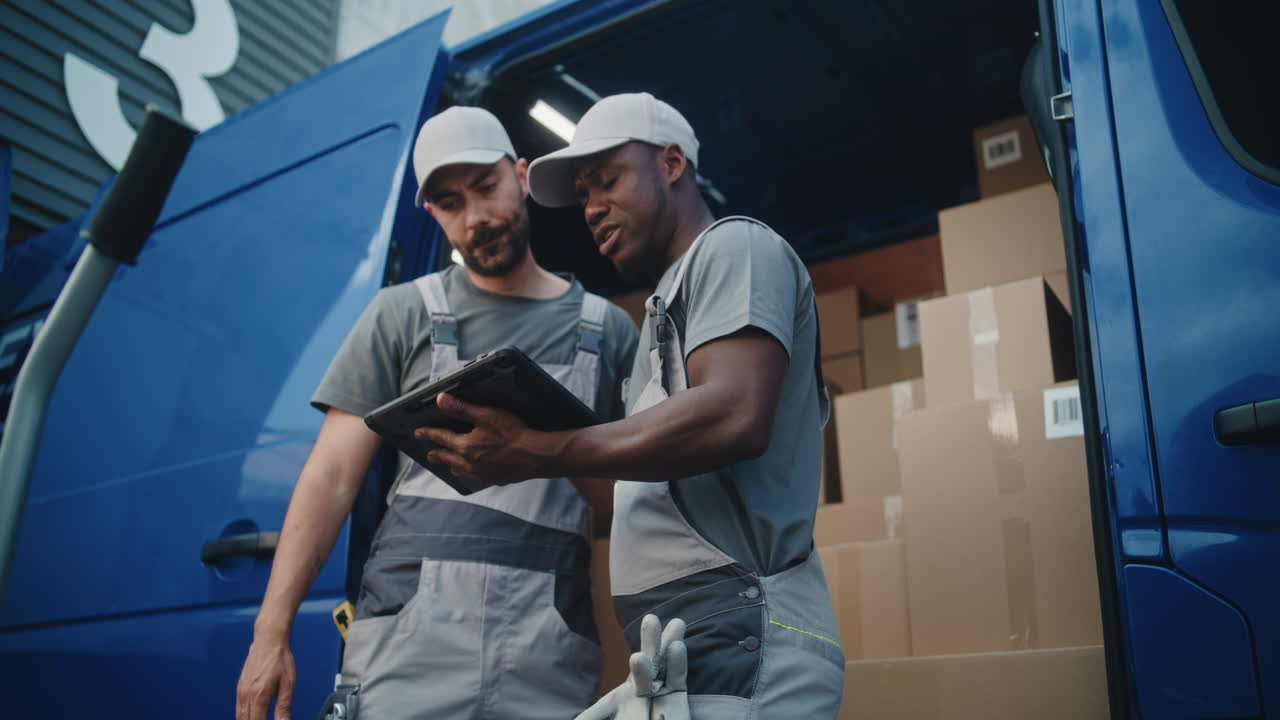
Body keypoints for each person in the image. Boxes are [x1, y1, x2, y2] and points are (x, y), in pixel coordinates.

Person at [416, 93, 845, 718]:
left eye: (607, 181)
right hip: (691, 643)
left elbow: (734, 413)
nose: (591, 208)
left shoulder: (734, 248)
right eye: (584, 194)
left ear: (672, 164)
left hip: (745, 628)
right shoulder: (659, 316)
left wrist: (538, 451)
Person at [234, 106, 639, 720]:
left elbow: (630, 506)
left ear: (522, 174)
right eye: (451, 203)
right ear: (431, 213)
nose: (476, 217)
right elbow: (330, 477)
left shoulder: (608, 332)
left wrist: (545, 446)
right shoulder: (400, 316)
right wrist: (270, 633)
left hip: (547, 645)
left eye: (486, 187)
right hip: (407, 644)